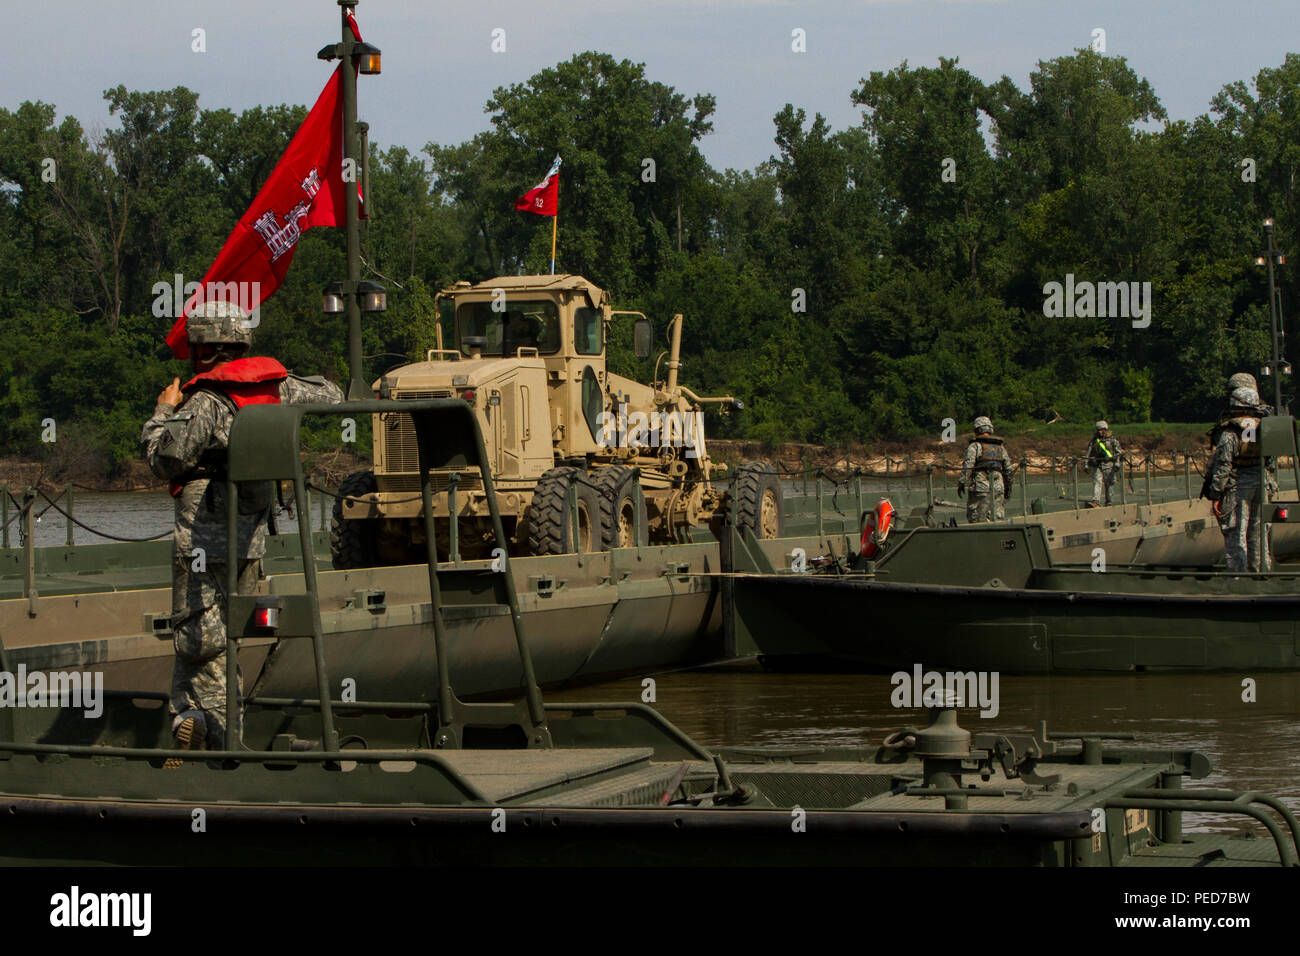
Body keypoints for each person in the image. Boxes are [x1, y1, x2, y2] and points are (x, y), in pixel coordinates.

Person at [141, 302, 343, 761]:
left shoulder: (207, 402)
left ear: (207, 351)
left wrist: (163, 410)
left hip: (201, 539)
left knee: (199, 635)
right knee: (225, 631)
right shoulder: (281, 389)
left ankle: (215, 733)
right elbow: (332, 396)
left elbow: (162, 459)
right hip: (250, 538)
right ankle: (194, 722)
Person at [1204, 386, 1270, 572]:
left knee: (1236, 532)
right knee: (1258, 532)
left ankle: (1238, 577)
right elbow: (1270, 460)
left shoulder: (1230, 432)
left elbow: (1223, 465)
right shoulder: (1264, 427)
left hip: (1237, 486)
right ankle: (1260, 572)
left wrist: (1216, 493)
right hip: (1261, 483)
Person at [958, 416, 1015, 523]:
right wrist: (1008, 487)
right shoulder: (1000, 447)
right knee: (998, 518)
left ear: (977, 430)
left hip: (980, 487)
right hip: (998, 487)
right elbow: (1009, 470)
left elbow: (968, 466)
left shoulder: (975, 446)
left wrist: (962, 482)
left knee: (978, 519)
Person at [1085, 420, 1122, 507]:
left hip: (1109, 464)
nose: (1099, 431)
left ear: (1105, 429)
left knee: (1109, 483)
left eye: (1101, 430)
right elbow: (1088, 453)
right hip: (1097, 464)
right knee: (1097, 481)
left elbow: (1118, 453)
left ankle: (1109, 501)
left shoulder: (1112, 440)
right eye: (1098, 430)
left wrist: (1117, 463)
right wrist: (1086, 464)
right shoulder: (1094, 441)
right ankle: (1096, 501)